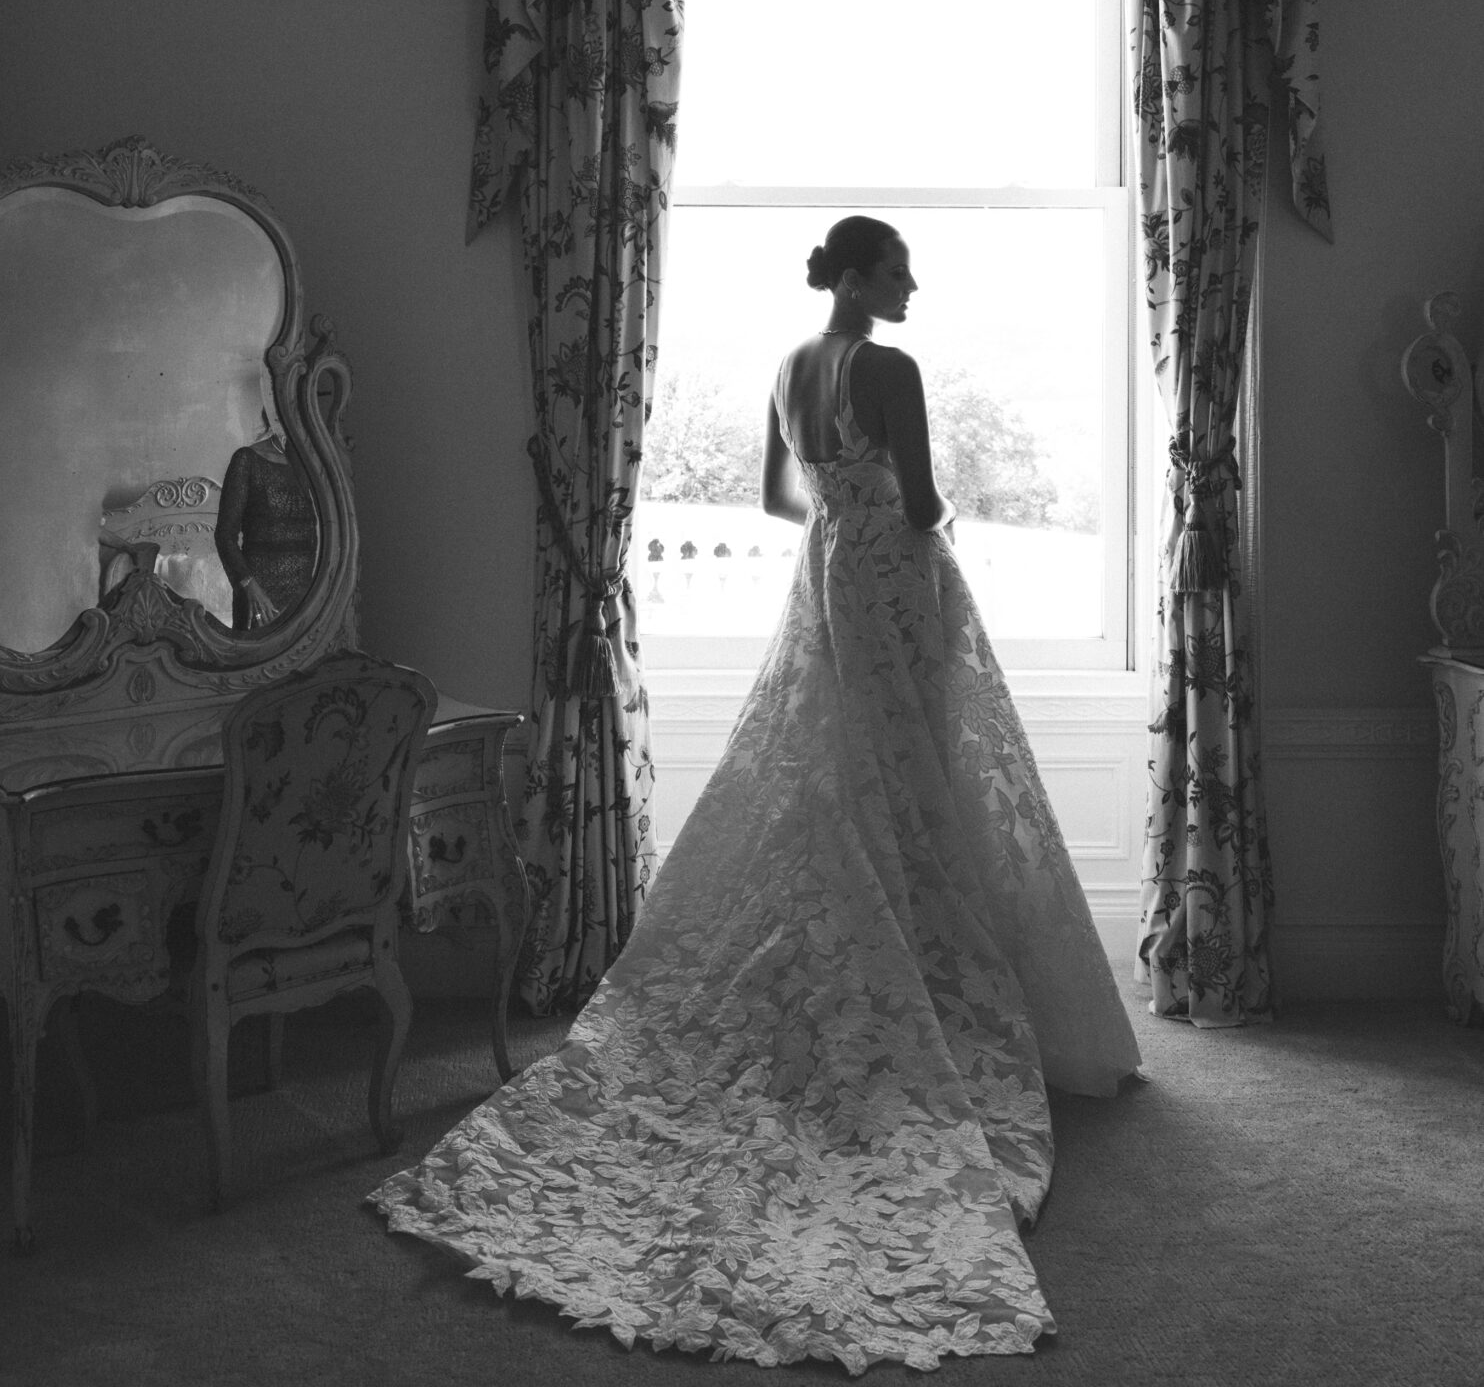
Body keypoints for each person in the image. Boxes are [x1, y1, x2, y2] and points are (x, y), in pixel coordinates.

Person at [369, 216, 1141, 1372]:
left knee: (834, 766)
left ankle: (853, 950)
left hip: (825, 576)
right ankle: (921, 969)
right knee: (915, 771)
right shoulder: (888, 367)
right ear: (855, 278)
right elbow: (924, 502)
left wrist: (841, 510)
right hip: (896, 581)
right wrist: (912, 518)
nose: (911, 286)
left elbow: (779, 500)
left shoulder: (788, 367)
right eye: (898, 270)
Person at [214, 411, 318, 631]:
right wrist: (248, 585)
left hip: (306, 594)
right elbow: (225, 536)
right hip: (259, 594)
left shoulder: (315, 462)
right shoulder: (247, 459)